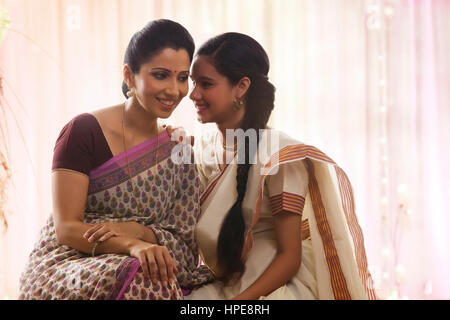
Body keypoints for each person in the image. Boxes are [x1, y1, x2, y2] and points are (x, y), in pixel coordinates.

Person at [18, 19, 212, 300]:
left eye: (182, 77)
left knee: (153, 274)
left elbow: (183, 242)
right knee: (143, 276)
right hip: (71, 260)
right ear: (129, 76)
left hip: (143, 260)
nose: (174, 90)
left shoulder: (177, 149)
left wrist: (137, 233)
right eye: (160, 75)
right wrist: (131, 245)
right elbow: (66, 228)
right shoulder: (83, 131)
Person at [185, 32, 378, 300]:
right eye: (193, 82)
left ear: (241, 87)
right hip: (222, 280)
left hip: (274, 286)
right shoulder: (200, 149)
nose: (193, 94)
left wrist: (241, 302)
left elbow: (290, 256)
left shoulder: (280, 155)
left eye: (205, 84)